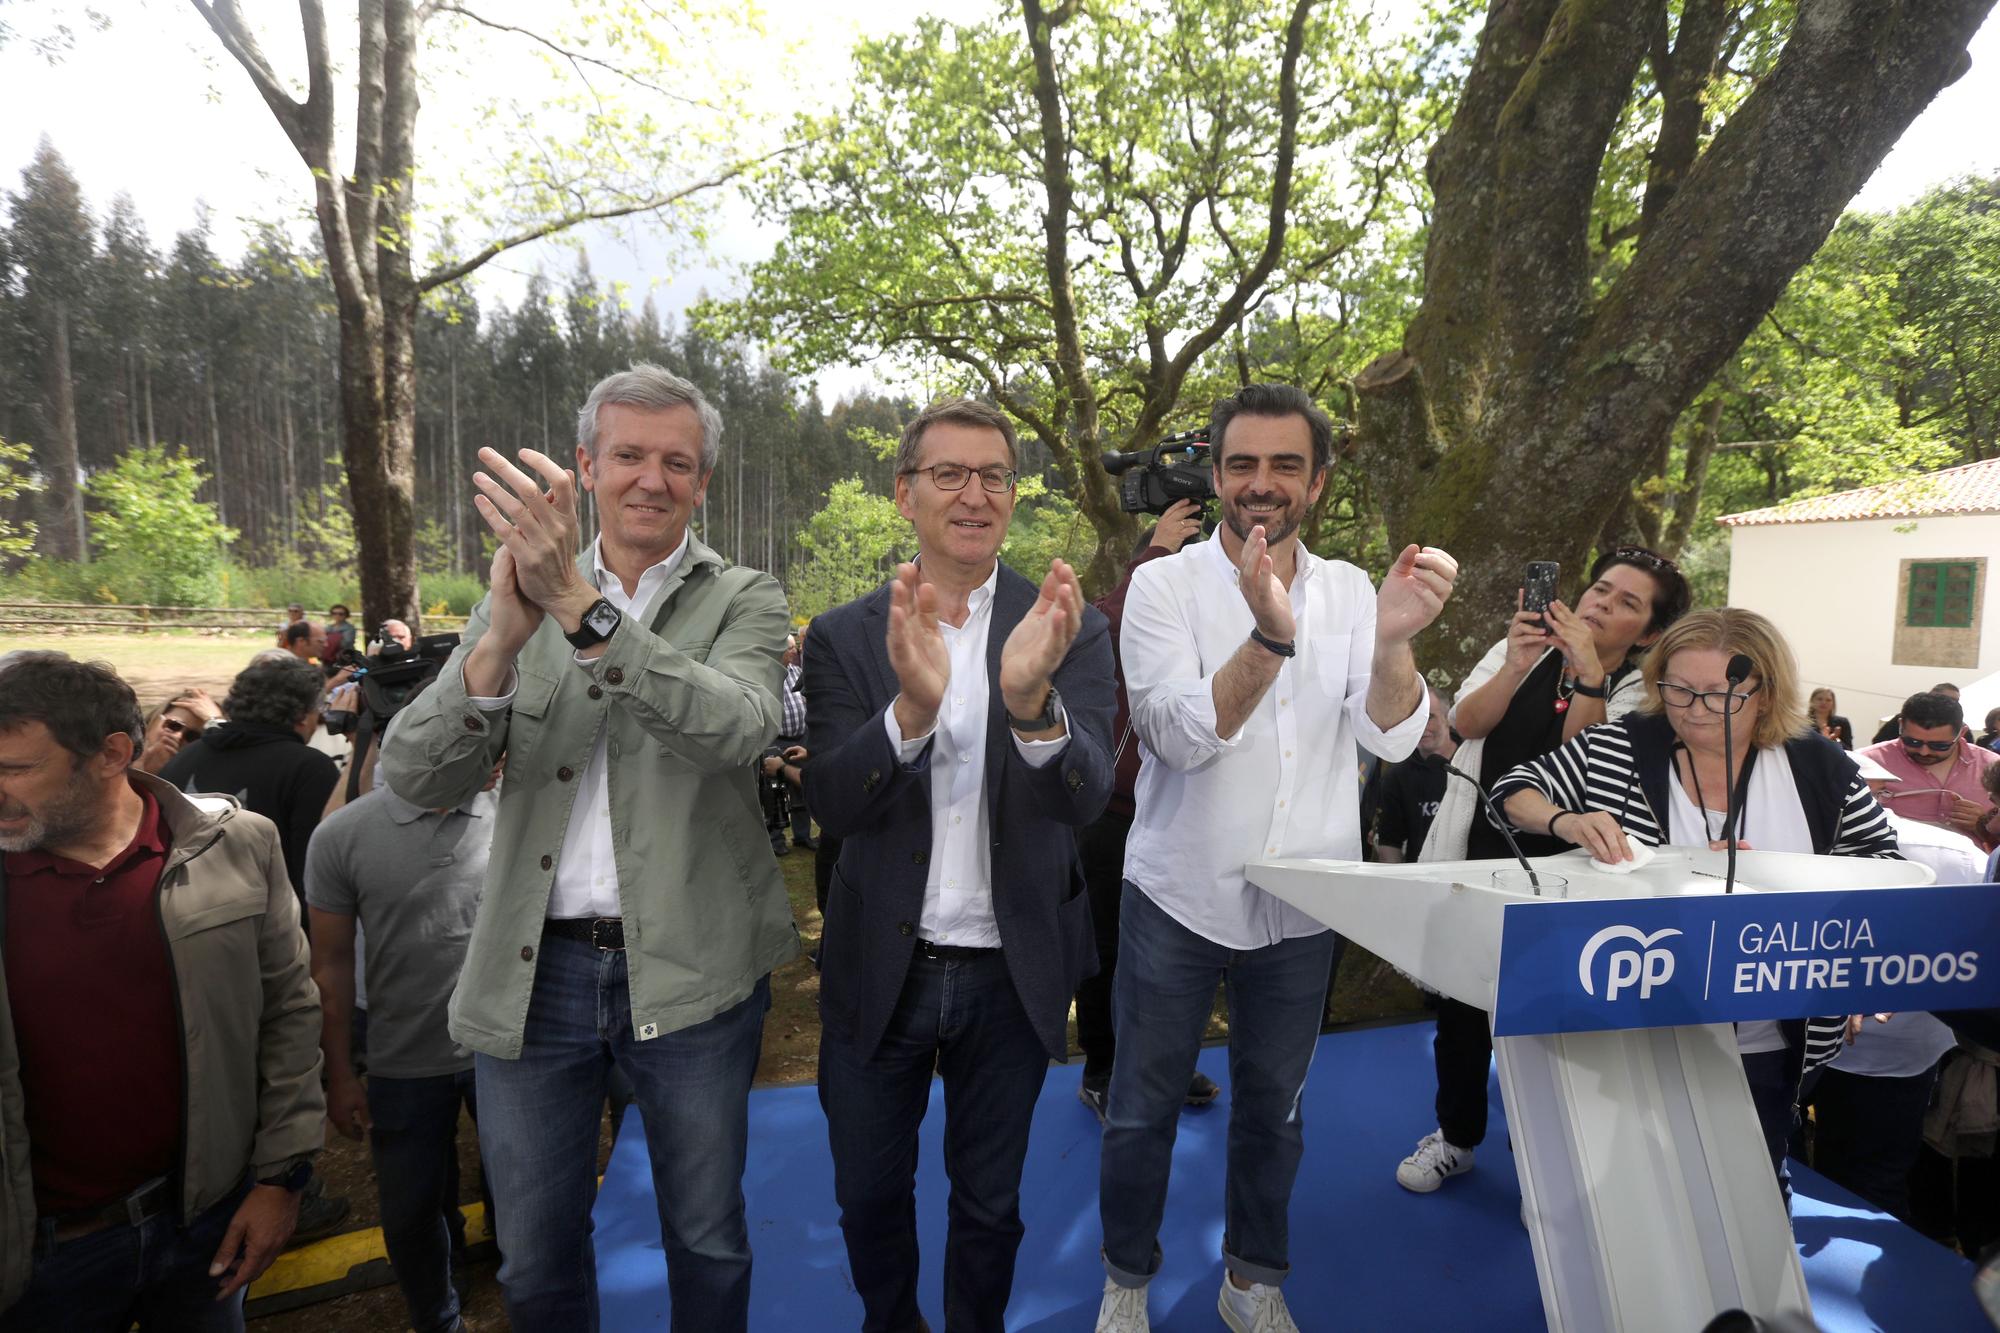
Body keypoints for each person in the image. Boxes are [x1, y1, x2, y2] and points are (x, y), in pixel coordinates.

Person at [380, 363, 796, 1333]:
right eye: (628, 456)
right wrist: (498, 640)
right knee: (534, 1256)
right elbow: (412, 776)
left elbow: (736, 727)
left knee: (706, 1233)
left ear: (702, 482)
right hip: (536, 975)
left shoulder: (744, 596)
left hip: (696, 971)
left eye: (677, 462)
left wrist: (578, 608)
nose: (652, 479)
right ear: (584, 465)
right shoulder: (512, 598)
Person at [1095, 383, 1457, 1333]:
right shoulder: (1162, 586)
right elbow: (1175, 737)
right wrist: (1267, 640)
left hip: (1304, 903)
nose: (1262, 484)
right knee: (1141, 1105)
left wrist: (1393, 640)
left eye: (1285, 465)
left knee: (1275, 1108)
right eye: (1244, 464)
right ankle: (1125, 1278)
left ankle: (1250, 1281)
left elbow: (1390, 735)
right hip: (1177, 893)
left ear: (1318, 481)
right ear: (1216, 474)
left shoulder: (1347, 588)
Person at [802, 397, 1116, 1333]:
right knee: (867, 1197)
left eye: (995, 476)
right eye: (949, 474)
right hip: (878, 968)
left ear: (1013, 497)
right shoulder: (846, 635)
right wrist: (908, 715)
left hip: (1011, 974)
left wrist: (1029, 705)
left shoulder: (1070, 625)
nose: (974, 495)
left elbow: (1088, 796)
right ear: (905, 494)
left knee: (989, 1205)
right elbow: (830, 801)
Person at [1493, 608, 1901, 1206]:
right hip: (1630, 1022)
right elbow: (1509, 792)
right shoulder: (1621, 746)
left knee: (1752, 1189)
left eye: (1718, 694)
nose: (1695, 709)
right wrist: (1567, 820)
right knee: (1626, 1188)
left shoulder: (1819, 765)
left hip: (1769, 1033)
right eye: (1678, 689)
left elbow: (1882, 868)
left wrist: (1851, 967)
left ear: (1767, 691)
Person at [0, 652, 324, 1331]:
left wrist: (279, 1179)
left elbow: (289, 1013)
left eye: (16, 769)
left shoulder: (235, 844)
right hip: (43, 1257)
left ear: (112, 753)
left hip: (206, 1224)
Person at [1396, 545, 1690, 1193]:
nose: (1601, 604)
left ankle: (1557, 1156)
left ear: (1647, 632)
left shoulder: (1642, 690)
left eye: (1626, 603)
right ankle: (1456, 1136)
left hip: (1571, 872)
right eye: (1600, 589)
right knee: (1463, 1009)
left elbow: (1587, 770)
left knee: (1552, 1017)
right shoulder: (1520, 647)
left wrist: (1589, 674)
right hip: (1480, 851)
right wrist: (1519, 662)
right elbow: (1464, 724)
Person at [306, 752, 501, 1333]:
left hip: (508, 1053)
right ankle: (437, 1314)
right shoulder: (340, 836)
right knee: (412, 1210)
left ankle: (531, 1283)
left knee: (523, 1195)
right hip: (401, 1060)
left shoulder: (515, 812)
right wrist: (340, 1073)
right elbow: (331, 964)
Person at [1074, 498, 1219, 1123]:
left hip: (1187, 808)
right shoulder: (1124, 607)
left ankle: (1166, 1062)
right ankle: (1103, 1068)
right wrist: (1154, 555)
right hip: (1112, 809)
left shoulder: (1220, 608)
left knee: (1176, 951)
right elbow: (1098, 624)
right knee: (1106, 949)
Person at [159, 654, 341, 905]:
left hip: (183, 916)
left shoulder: (184, 758)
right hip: (272, 922)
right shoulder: (310, 769)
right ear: (302, 715)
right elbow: (313, 869)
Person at [1856, 691, 1998, 853]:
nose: (1924, 752)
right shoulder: (1866, 763)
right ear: (1900, 725)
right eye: (1912, 742)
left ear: (1962, 733)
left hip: (1973, 873)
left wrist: (1985, 825)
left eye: (1939, 745)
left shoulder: (1992, 767)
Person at [1373, 689, 1455, 865]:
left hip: (1474, 874)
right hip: (1422, 878)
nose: (1422, 727)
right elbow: (1389, 843)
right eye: (1414, 719)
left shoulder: (1473, 761)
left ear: (1447, 718)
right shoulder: (1396, 777)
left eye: (1429, 717)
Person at [134, 689, 222, 775]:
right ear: (152, 721)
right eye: (174, 725)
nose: (178, 736)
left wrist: (216, 720)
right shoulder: (122, 758)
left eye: (193, 736)